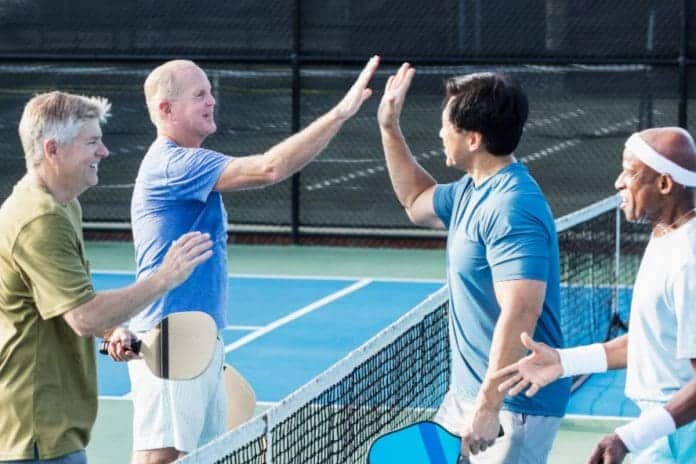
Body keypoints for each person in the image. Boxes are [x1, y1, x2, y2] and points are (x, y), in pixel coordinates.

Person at [113, 56, 379, 463]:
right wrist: (341, 113)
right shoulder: (174, 162)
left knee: (207, 455)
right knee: (159, 458)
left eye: (210, 92)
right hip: (172, 340)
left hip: (197, 337)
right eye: (199, 94)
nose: (211, 101)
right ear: (166, 110)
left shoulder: (189, 163)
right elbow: (270, 168)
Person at [0, 91, 213, 463]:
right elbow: (84, 317)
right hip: (35, 432)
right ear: (53, 150)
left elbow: (67, 300)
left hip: (51, 427)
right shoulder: (40, 220)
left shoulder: (64, 205)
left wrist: (111, 331)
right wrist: (165, 277)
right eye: (92, 143)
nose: (104, 152)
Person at [377, 63, 570, 462]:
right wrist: (389, 128)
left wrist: (488, 406)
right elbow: (415, 201)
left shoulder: (512, 206)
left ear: (473, 139)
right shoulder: (471, 191)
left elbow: (521, 310)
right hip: (466, 396)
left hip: (513, 406)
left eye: (447, 125)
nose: (440, 133)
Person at [492, 127, 696, 463]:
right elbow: (650, 342)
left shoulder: (688, 262)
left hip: (681, 431)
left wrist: (628, 438)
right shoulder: (665, 236)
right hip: (665, 424)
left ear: (664, 184)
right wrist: (564, 362)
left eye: (631, 172)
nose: (618, 182)